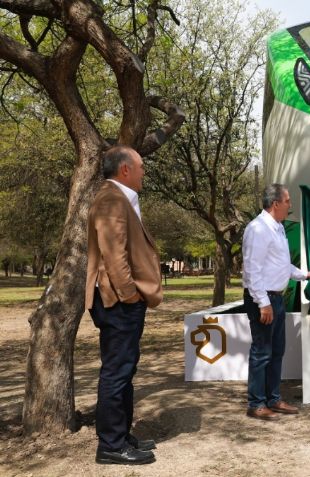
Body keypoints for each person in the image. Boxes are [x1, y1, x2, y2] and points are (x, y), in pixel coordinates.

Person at [85, 146, 162, 465]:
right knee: (117, 372)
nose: (145, 171)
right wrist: (130, 295)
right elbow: (113, 255)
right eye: (141, 166)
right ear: (125, 170)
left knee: (124, 369)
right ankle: (111, 446)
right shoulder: (111, 198)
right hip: (117, 301)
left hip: (122, 301)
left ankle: (120, 435)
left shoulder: (117, 197)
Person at [242, 184, 310, 420]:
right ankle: (256, 404)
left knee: (276, 352)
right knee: (262, 352)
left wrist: (303, 274)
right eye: (287, 201)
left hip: (275, 298)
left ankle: (273, 399)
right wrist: (263, 303)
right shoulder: (258, 229)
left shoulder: (277, 228)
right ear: (275, 204)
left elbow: (280, 265)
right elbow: (252, 269)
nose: (289, 206)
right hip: (263, 299)